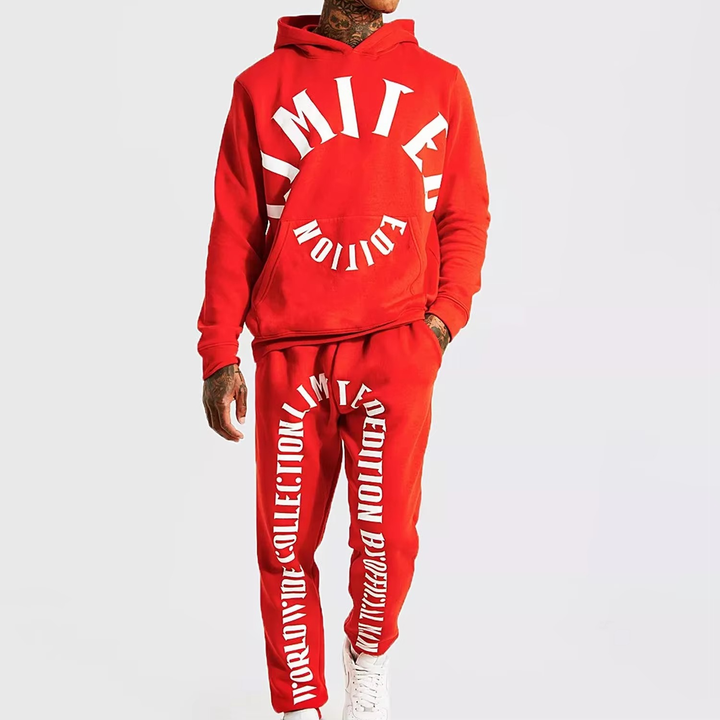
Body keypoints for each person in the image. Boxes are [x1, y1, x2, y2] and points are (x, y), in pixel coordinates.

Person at [197, 1, 491, 717]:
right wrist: (218, 350)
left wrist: (442, 322)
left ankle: (368, 660)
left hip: (396, 347)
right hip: (292, 348)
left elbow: (464, 211)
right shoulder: (260, 87)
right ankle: (299, 703)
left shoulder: (440, 83)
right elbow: (236, 225)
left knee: (388, 538)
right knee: (285, 544)